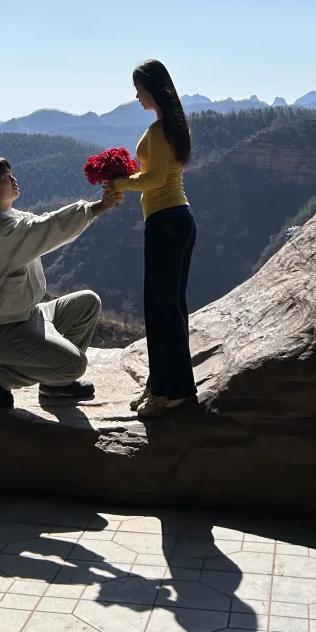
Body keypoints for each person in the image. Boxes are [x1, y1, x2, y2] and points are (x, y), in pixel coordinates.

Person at [0, 155, 123, 410]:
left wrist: (98, 205)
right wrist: (97, 208)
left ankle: (56, 385)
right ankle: (1, 375)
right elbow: (44, 228)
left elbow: (43, 221)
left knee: (88, 302)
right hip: (7, 329)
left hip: (32, 314)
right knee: (75, 365)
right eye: (6, 178)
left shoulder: (9, 216)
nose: (14, 180)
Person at [110, 58, 197, 419]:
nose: (136, 96)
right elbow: (158, 173)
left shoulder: (161, 130)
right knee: (170, 308)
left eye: (139, 89)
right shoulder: (173, 126)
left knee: (161, 309)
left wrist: (118, 182)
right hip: (178, 220)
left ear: (153, 89)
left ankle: (172, 392)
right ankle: (162, 384)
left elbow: (155, 179)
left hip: (166, 222)